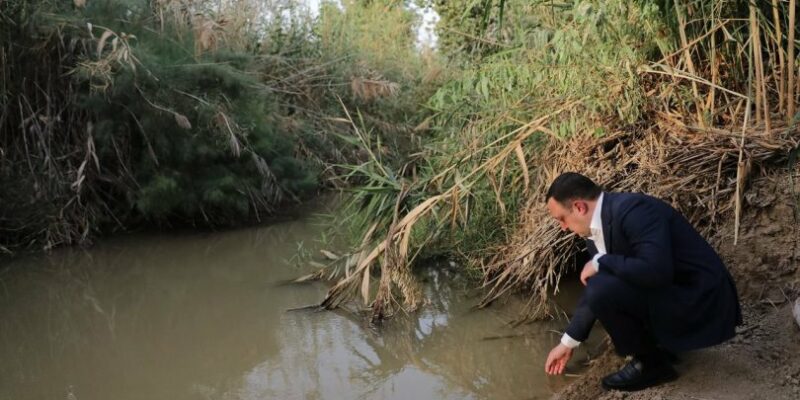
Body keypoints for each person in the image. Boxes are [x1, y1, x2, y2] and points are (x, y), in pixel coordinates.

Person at [543, 172, 742, 391]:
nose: (563, 227)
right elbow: (598, 290)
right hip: (673, 295)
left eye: (561, 218)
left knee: (602, 285)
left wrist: (602, 261)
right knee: (601, 284)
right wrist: (567, 343)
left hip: (702, 301)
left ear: (579, 207)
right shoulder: (596, 230)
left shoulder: (633, 210)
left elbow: (656, 271)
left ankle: (651, 365)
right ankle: (660, 350)